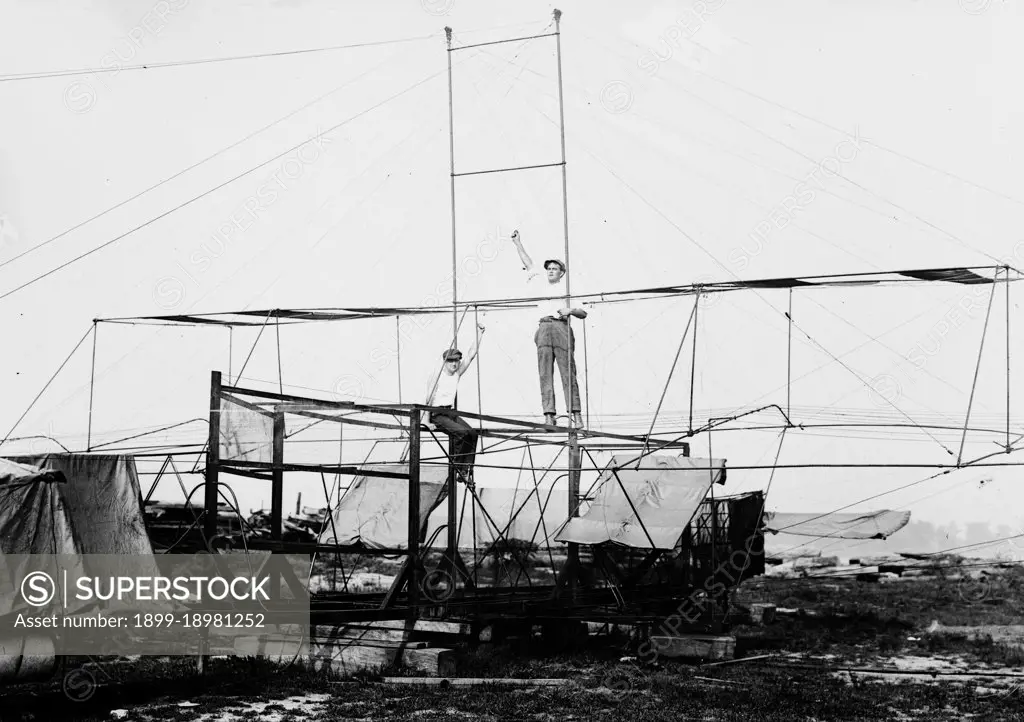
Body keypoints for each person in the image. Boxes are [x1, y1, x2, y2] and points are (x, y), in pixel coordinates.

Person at [509, 229, 586, 428]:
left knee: (568, 372)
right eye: (549, 268)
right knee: (545, 373)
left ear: (562, 272)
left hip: (561, 327)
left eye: (554, 268)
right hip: (544, 327)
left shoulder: (568, 286)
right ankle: (549, 414)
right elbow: (528, 263)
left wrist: (570, 310)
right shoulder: (540, 283)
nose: (551, 271)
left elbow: (583, 312)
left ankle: (576, 414)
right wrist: (518, 243)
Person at [425, 322, 485, 484]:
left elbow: (472, 354)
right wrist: (426, 421)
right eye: (451, 361)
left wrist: (480, 333)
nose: (454, 364)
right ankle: (458, 466)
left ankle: (465, 471)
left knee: (472, 433)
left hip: (450, 413)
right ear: (444, 361)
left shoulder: (457, 373)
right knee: (461, 433)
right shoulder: (437, 375)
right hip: (437, 413)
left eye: (456, 361)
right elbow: (428, 398)